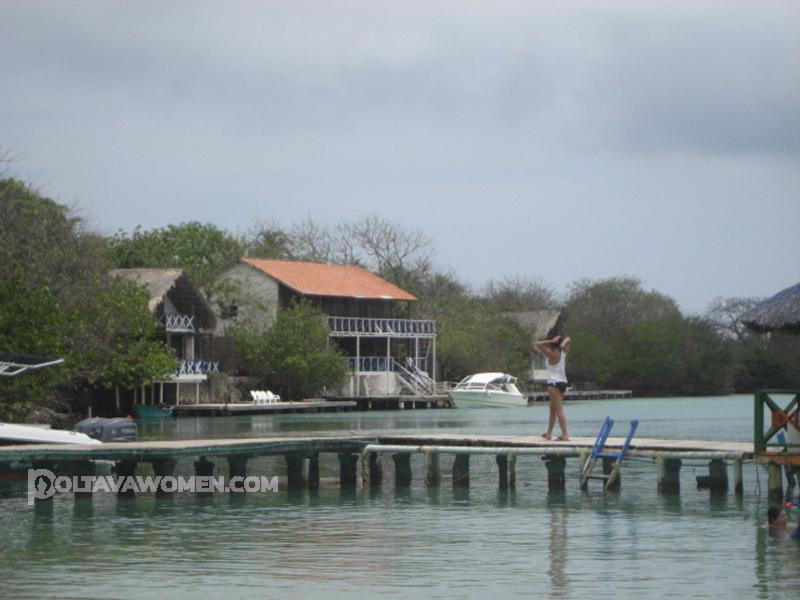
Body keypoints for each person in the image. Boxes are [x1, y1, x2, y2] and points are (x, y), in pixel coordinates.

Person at [535, 335, 571, 441]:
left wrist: (551, 340)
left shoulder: (551, 354)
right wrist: (563, 343)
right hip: (563, 383)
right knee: (552, 409)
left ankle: (565, 435)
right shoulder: (563, 351)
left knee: (558, 410)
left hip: (553, 384)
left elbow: (538, 344)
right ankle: (549, 433)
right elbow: (568, 338)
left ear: (552, 345)